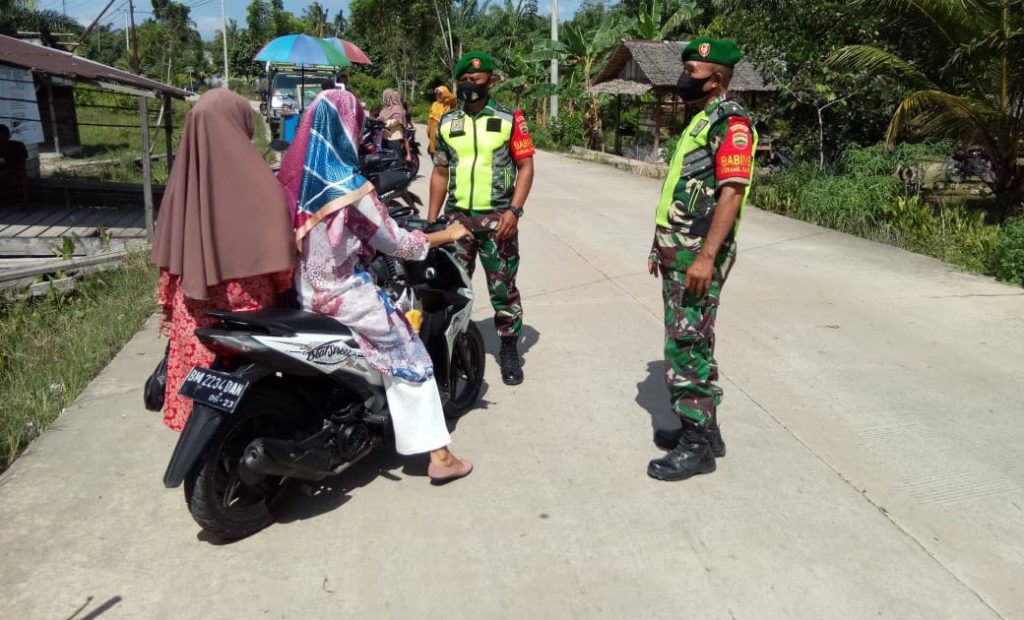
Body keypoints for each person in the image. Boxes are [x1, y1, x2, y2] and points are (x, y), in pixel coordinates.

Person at [277, 88, 474, 484]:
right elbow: (398, 242)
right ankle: (439, 453)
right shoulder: (347, 187)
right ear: (346, 127)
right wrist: (447, 235)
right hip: (345, 296)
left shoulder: (293, 176)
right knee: (411, 353)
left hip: (303, 293)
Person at [151, 89, 295, 432]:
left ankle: (196, 433)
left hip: (197, 313)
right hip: (251, 315)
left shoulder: (181, 188)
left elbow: (170, 262)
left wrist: (168, 308)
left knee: (195, 379)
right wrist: (285, 290)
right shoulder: (262, 185)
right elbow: (282, 266)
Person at [646, 38, 757, 481]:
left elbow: (732, 192)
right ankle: (707, 431)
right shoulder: (703, 118)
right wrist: (661, 246)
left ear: (718, 78)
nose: (683, 78)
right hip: (681, 249)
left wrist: (706, 257)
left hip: (698, 254)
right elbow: (684, 192)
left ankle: (696, 447)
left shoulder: (731, 123)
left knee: (685, 345)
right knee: (697, 339)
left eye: (691, 70)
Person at [428, 51, 535, 386]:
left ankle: (508, 349)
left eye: (477, 80)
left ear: (491, 81)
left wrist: (514, 211)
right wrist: (431, 223)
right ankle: (453, 348)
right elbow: (440, 172)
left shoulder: (510, 118)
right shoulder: (448, 122)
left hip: (497, 219)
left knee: (502, 289)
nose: (470, 85)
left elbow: (526, 167)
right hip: (457, 221)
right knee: (450, 289)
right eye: (465, 80)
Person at [0, 124, 30, 205]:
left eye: (2, 136)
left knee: (23, 178)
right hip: (4, 170)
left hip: (17, 169)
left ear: (8, 136)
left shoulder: (18, 145)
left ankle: (26, 202)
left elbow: (22, 164)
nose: (1, 139)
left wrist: (8, 171)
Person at [380, 88, 412, 162]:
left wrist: (384, 122)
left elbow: (396, 121)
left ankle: (408, 156)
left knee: (396, 159)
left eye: (387, 96)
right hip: (385, 137)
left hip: (394, 138)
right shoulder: (387, 108)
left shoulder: (397, 109)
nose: (385, 98)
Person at [427, 85, 456, 156]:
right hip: (435, 135)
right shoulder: (434, 104)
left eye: (440, 94)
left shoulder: (448, 103)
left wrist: (442, 90)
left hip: (446, 133)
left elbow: (453, 98)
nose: (438, 96)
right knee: (436, 158)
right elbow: (431, 119)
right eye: (437, 94)